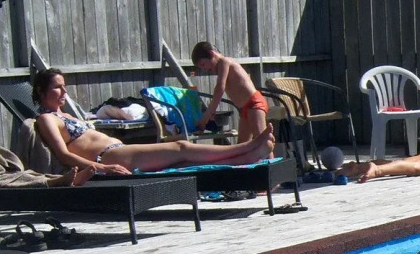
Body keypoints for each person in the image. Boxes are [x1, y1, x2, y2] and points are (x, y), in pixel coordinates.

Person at [32, 69, 273, 175]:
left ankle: (247, 158)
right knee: (181, 147)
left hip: (117, 151)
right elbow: (63, 155)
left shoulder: (69, 116)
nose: (64, 91)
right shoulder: (46, 119)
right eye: (57, 87)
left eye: (65, 86)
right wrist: (103, 168)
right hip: (108, 157)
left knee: (184, 161)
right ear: (42, 91)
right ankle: (246, 147)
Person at [190, 41, 267, 143]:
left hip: (254, 104)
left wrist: (206, 117)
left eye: (203, 64)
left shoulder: (224, 62)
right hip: (245, 109)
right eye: (201, 68)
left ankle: (274, 159)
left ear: (212, 54)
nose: (205, 69)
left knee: (263, 142)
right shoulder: (222, 68)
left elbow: (220, 89)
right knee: (242, 146)